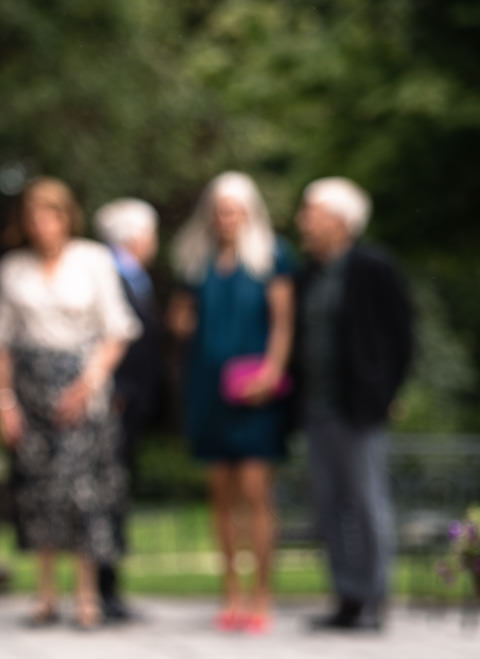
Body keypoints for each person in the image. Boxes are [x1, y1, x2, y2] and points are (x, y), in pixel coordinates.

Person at [0, 178, 141, 630]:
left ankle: (87, 596)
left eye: (50, 215)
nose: (42, 225)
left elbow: (118, 329)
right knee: (38, 491)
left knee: (83, 492)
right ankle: (46, 594)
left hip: (82, 385)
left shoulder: (92, 259)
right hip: (30, 386)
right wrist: (4, 402)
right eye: (33, 216)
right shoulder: (13, 268)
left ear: (66, 217)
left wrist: (88, 383)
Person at [168, 172, 296, 634]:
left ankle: (262, 593)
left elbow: (283, 321)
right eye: (219, 210)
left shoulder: (272, 256)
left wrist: (273, 369)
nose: (226, 218)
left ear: (249, 212)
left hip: (255, 390)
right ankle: (230, 592)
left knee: (255, 490)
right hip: (208, 388)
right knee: (220, 494)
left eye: (234, 209)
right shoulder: (197, 261)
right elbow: (181, 320)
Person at [293, 178, 414, 632]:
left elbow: (402, 334)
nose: (304, 221)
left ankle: (374, 598)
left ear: (341, 220)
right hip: (317, 406)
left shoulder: (372, 267)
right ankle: (346, 597)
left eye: (313, 212)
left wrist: (389, 391)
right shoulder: (310, 273)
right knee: (330, 505)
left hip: (359, 407)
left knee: (365, 503)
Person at [93, 198, 165, 622]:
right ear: (135, 236)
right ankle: (104, 587)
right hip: (116, 402)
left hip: (132, 404)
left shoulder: (135, 277)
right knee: (107, 494)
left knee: (118, 494)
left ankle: (111, 585)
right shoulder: (112, 275)